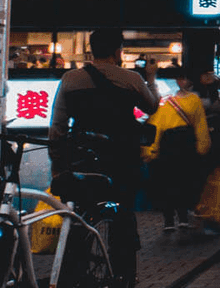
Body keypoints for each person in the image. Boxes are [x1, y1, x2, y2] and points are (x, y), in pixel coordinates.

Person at [50, 29, 158, 286]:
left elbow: (57, 127)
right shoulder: (130, 78)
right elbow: (151, 106)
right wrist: (151, 78)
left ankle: (75, 272)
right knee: (122, 215)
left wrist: (58, 165)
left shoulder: (70, 79)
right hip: (122, 159)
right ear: (117, 51)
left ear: (91, 49)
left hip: (82, 159)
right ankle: (123, 275)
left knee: (80, 216)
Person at [145, 67, 212, 233]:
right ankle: (169, 218)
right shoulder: (163, 100)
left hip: (181, 144)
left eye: (183, 78)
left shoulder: (192, 99)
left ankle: (180, 217)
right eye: (178, 78)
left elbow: (200, 123)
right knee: (167, 182)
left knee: (182, 181)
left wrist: (202, 145)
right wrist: (150, 148)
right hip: (173, 144)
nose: (181, 82)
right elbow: (156, 123)